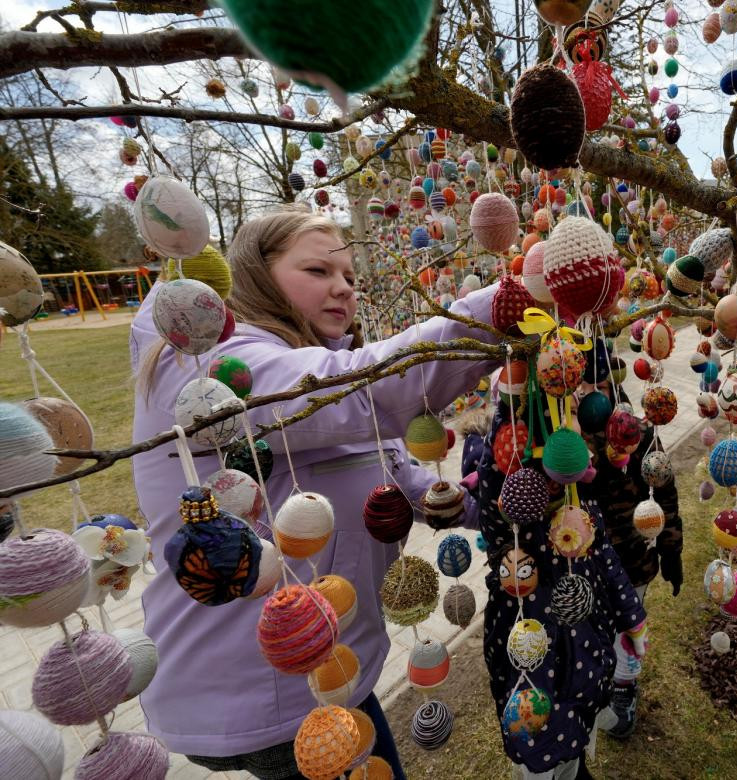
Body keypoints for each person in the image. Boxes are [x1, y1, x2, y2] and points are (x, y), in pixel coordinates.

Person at [130, 208, 500, 779]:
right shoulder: (203, 367)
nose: (343, 288)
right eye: (319, 270)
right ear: (256, 277)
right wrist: (501, 307)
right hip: (262, 690)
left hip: (327, 670)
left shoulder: (303, 365)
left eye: (350, 276)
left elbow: (395, 480)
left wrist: (488, 500)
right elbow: (359, 392)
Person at [471, 389, 647, 779]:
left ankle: (575, 765)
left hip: (585, 641)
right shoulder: (513, 533)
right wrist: (511, 403)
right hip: (530, 652)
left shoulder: (580, 510)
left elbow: (604, 555)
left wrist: (631, 617)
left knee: (577, 726)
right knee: (539, 740)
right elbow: (492, 492)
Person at [585, 385, 683, 739]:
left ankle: (623, 689)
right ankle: (598, 681)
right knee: (594, 626)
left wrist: (671, 550)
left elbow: (665, 493)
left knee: (628, 628)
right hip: (584, 565)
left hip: (633, 560)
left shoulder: (637, 434)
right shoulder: (565, 439)